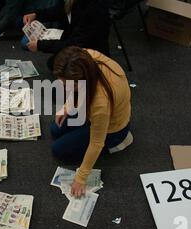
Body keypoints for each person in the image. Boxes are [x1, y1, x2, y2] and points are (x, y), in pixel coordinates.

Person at [50, 46, 133, 198]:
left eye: (66, 84)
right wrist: (67, 106)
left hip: (113, 129)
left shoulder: (100, 103)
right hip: (94, 108)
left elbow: (96, 143)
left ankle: (120, 142)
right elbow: (76, 93)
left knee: (60, 151)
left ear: (81, 82)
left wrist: (81, 178)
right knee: (55, 129)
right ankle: (88, 124)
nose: (61, 85)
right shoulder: (85, 56)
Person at [23, 0, 114, 70]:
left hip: (91, 50)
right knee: (55, 63)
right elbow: (59, 11)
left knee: (58, 66)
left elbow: (76, 43)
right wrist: (36, 15)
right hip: (75, 40)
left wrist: (40, 45)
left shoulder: (95, 7)